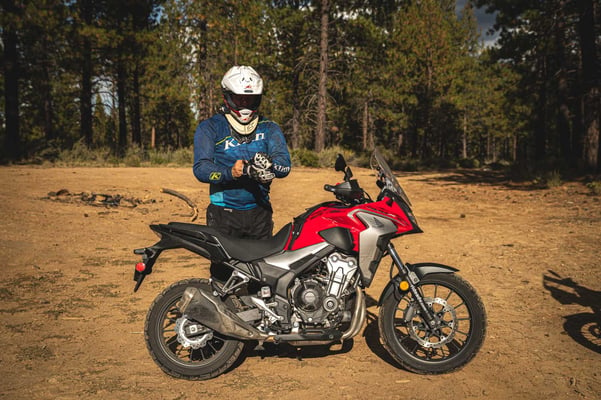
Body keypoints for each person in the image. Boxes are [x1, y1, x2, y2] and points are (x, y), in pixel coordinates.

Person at [193, 66, 291, 279]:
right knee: (223, 276)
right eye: (240, 99)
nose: (245, 105)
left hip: (260, 214)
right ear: (227, 97)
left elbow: (285, 165)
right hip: (223, 214)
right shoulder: (211, 127)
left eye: (251, 100)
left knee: (262, 276)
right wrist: (232, 172)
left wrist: (269, 165)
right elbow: (201, 168)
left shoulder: (269, 128)